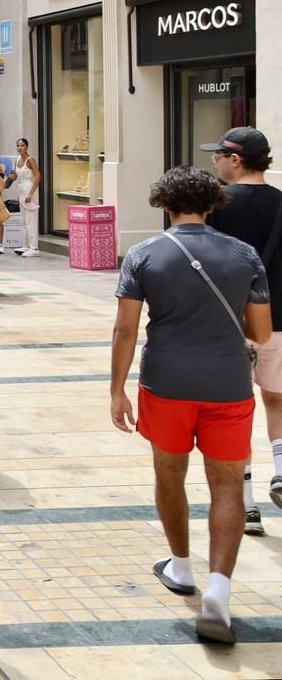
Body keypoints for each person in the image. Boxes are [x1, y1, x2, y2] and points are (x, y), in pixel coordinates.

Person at [112, 166, 272, 643]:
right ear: (213, 204)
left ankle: (181, 567)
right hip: (228, 384)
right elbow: (261, 333)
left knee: (169, 473)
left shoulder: (143, 255)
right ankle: (219, 589)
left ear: (164, 204)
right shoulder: (244, 255)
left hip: (165, 383)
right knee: (227, 485)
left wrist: (117, 387)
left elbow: (124, 329)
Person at [205, 128, 282, 534]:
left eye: (218, 154)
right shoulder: (281, 203)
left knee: (236, 414)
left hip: (229, 323)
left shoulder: (217, 206)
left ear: (235, 160)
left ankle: (247, 506)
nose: (215, 161)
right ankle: (281, 470)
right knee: (277, 402)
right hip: (278, 322)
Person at [12, 138, 42, 257]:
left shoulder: (30, 160)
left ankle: (34, 248)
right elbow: (14, 175)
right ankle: (26, 245)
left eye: (22, 145)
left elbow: (38, 175)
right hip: (21, 190)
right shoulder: (17, 159)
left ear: (27, 147)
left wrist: (31, 193)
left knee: (31, 220)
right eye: (18, 145)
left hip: (29, 189)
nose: (20, 148)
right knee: (23, 220)